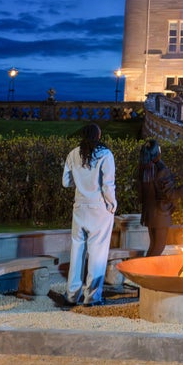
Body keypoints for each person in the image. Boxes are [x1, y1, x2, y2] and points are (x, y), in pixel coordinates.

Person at [61, 123, 117, 307]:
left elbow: (66, 182)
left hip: (80, 206)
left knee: (77, 251)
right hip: (99, 207)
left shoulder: (73, 154)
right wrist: (112, 204)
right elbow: (108, 184)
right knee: (97, 252)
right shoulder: (105, 154)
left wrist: (80, 183)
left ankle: (72, 294)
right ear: (98, 136)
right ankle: (92, 296)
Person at [138, 138, 183, 256]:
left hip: (149, 213)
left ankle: (147, 267)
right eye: (159, 147)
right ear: (156, 152)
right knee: (158, 247)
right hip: (160, 214)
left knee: (154, 246)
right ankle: (145, 267)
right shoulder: (161, 170)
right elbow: (172, 194)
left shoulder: (144, 170)